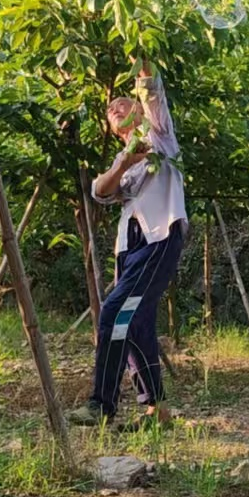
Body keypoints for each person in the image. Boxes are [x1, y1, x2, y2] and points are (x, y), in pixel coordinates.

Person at [67, 59, 186, 429]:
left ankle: (102, 403)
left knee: (115, 310)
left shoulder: (159, 137)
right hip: (130, 247)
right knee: (136, 325)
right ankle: (158, 410)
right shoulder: (124, 158)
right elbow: (99, 192)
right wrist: (123, 162)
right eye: (109, 109)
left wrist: (143, 55)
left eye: (123, 102)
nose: (114, 108)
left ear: (138, 109)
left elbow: (153, 93)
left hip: (159, 237)